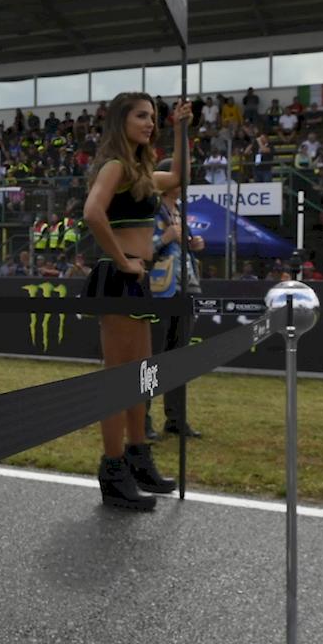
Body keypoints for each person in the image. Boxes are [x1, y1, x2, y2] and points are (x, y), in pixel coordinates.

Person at [81, 90, 192, 511]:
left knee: (142, 377)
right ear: (121, 121)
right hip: (121, 277)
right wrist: (122, 260)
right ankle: (112, 470)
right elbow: (92, 212)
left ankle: (137, 456)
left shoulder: (141, 172)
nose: (150, 123)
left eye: (153, 117)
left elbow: (178, 178)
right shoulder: (114, 166)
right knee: (118, 381)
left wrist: (181, 130)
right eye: (141, 116)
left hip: (138, 278)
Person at [147, 165, 204, 438]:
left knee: (179, 357)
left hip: (185, 287)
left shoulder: (180, 210)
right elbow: (141, 249)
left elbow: (178, 246)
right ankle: (142, 420)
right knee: (151, 357)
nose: (183, 184)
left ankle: (176, 419)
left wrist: (192, 245)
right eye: (179, 179)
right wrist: (165, 238)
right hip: (160, 290)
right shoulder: (150, 209)